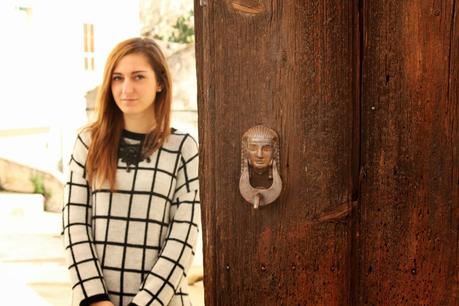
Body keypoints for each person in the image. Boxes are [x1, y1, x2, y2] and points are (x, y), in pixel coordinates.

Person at [62, 37, 200, 306]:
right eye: (117, 78)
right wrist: (96, 300)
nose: (126, 88)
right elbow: (74, 225)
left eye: (138, 77)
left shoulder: (183, 147)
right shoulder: (87, 143)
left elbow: (183, 236)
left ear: (160, 82)